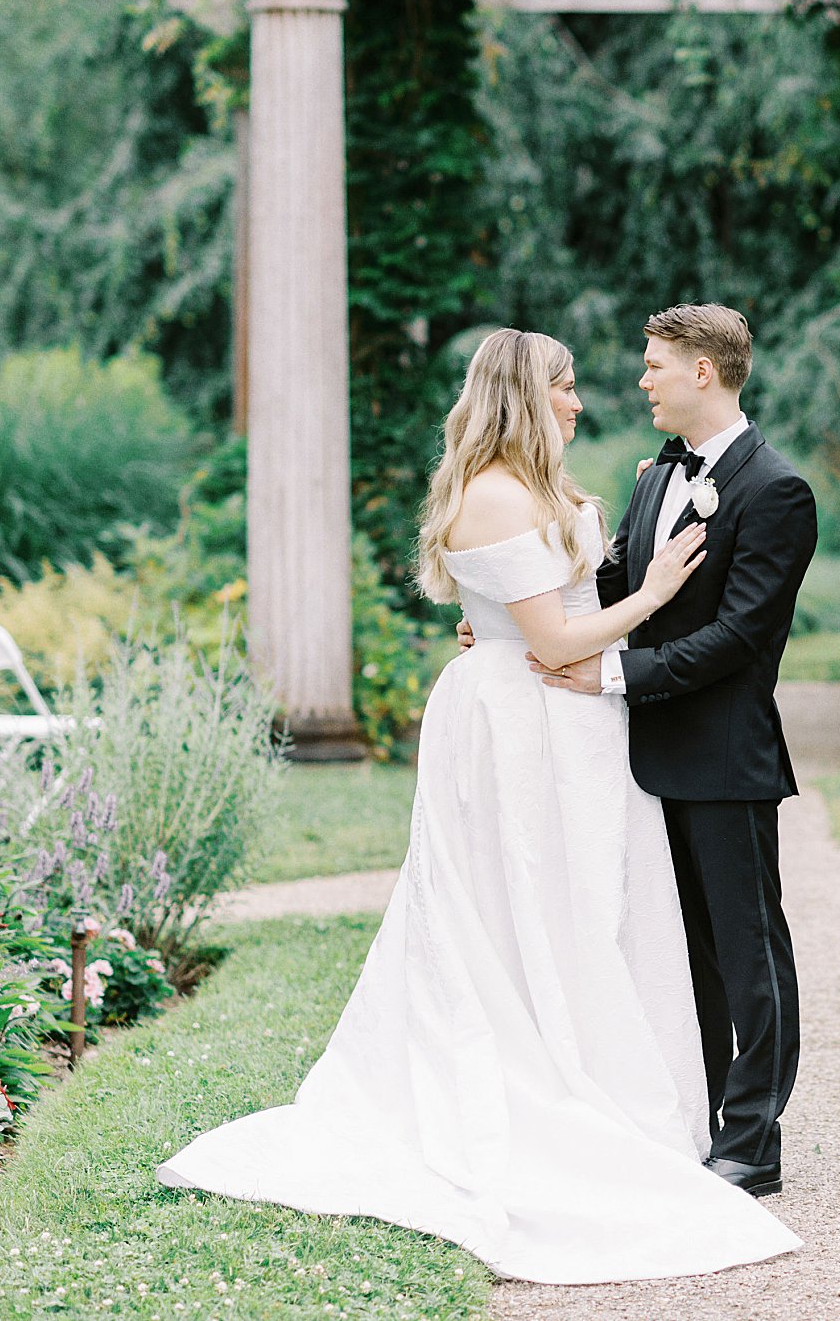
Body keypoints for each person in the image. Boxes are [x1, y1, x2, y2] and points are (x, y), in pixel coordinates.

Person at [156, 328, 799, 1285]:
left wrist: (548, 621)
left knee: (641, 919)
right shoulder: (508, 491)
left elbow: (628, 605)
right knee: (526, 907)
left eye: (628, 372)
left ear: (703, 371)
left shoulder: (707, 485)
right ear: (522, 394)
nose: (590, 397)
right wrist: (607, 603)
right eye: (567, 385)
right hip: (526, 719)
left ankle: (734, 1121)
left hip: (596, 722)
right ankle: (573, 1085)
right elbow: (556, 627)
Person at [523, 303, 820, 1197]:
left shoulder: (778, 490)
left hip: (727, 760)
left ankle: (753, 1141)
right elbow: (613, 584)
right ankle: (697, 1115)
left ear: (704, 371)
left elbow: (739, 637)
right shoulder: (655, 477)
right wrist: (519, 624)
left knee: (746, 949)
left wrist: (613, 675)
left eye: (656, 364)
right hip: (642, 760)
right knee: (681, 952)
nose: (643, 378)